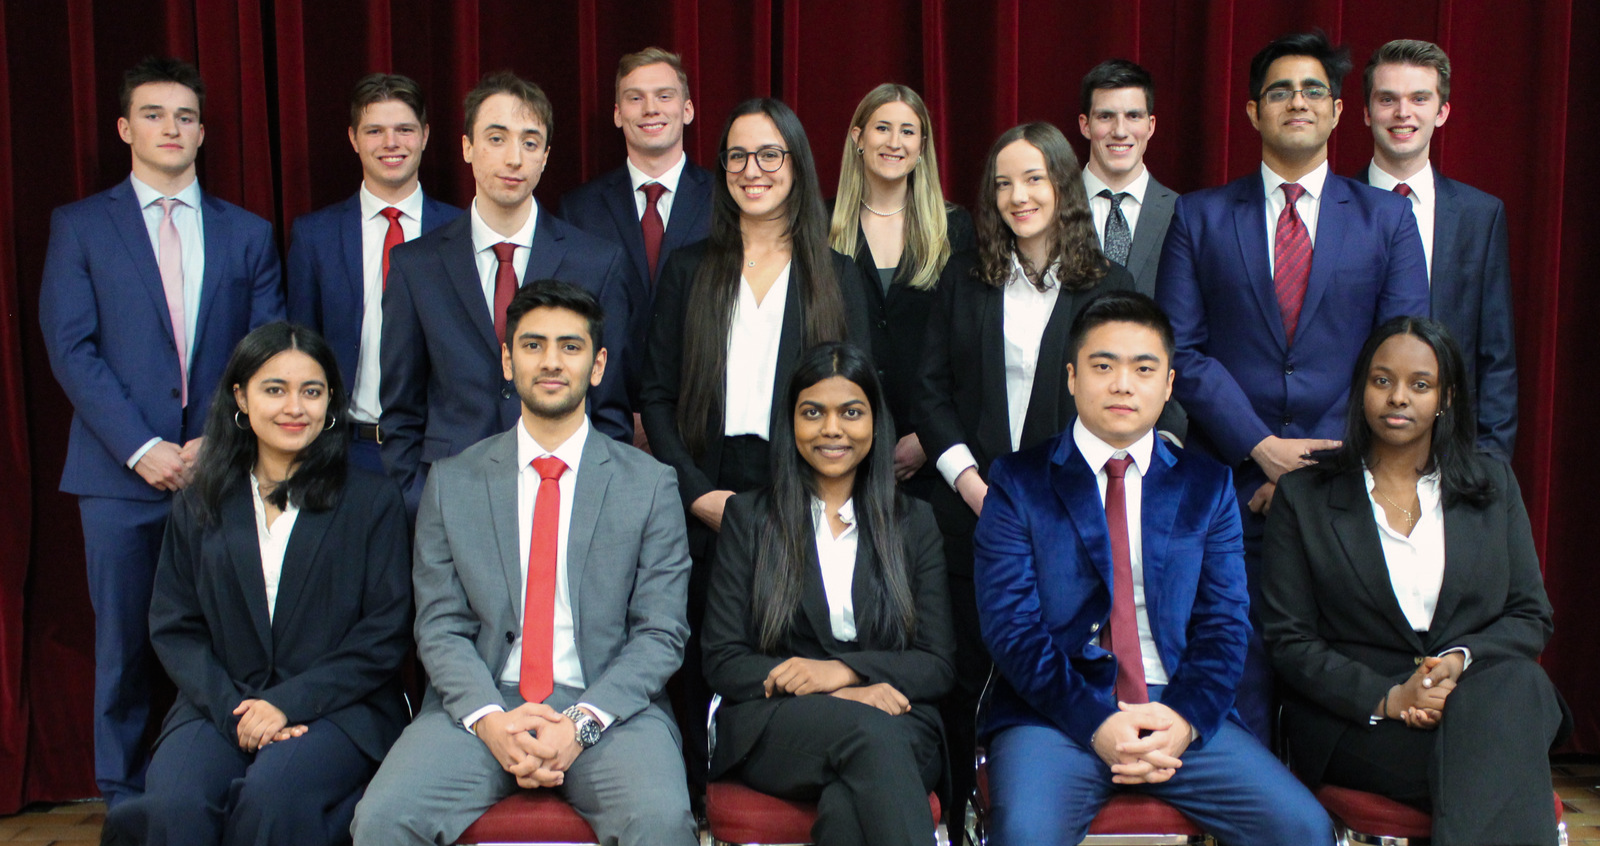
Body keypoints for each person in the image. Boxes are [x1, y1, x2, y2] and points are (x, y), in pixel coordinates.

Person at [975, 291, 1332, 845]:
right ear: (1072, 378)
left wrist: (1184, 721)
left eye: (1144, 369)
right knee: (1024, 834)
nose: (1123, 384)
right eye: (1103, 366)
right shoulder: (1018, 483)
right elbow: (1012, 630)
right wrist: (1097, 724)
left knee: (1303, 829)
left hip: (1177, 709)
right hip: (1055, 712)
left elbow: (1224, 624)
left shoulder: (1206, 487)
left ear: (1168, 386)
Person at [1153, 30, 1431, 739]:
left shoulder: (1387, 220)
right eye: (1280, 91)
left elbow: (1400, 353)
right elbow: (1180, 350)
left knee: (1331, 677)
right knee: (1234, 670)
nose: (1297, 102)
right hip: (1230, 487)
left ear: (1340, 112)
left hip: (1347, 486)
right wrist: (1262, 447)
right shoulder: (1200, 216)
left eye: (1313, 90)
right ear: (1252, 112)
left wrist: (1321, 460)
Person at [353, 280, 696, 846]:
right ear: (508, 362)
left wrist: (580, 726)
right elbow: (439, 628)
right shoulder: (452, 482)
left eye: (570, 346)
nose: (552, 362)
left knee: (659, 822)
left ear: (598, 363)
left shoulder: (650, 485)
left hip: (609, 707)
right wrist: (491, 720)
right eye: (533, 346)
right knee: (383, 818)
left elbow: (661, 633)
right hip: (484, 702)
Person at [37, 56, 284, 807]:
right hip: (117, 476)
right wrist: (142, 449)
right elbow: (70, 346)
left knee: (231, 640)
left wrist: (219, 438)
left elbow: (264, 344)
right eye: (153, 114)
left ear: (202, 131)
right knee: (123, 646)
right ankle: (123, 798)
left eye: (184, 116)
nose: (170, 128)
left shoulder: (247, 233)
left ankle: (218, 785)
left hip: (222, 470)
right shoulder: (80, 226)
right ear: (125, 127)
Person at [101, 322, 412, 846]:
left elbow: (383, 633)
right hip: (220, 701)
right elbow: (175, 627)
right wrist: (236, 710)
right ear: (241, 398)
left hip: (338, 708)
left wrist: (286, 703)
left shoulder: (373, 501)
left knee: (273, 798)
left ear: (331, 402)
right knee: (176, 804)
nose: (295, 407)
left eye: (311, 392)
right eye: (275, 389)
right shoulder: (200, 501)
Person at [1261, 316, 1569, 845]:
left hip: (1477, 698)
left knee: (1518, 685)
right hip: (1364, 723)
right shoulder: (1305, 496)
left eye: (1419, 385)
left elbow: (1529, 614)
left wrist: (1457, 661)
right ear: (1362, 390)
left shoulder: (1491, 485)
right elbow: (1289, 642)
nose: (1398, 397)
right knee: (1502, 757)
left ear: (1445, 397)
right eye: (1382, 381)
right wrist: (1393, 697)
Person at [640, 97, 871, 791]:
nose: (753, 169)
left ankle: (796, 784)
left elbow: (856, 401)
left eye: (770, 154)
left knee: (795, 647)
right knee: (701, 654)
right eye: (738, 155)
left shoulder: (837, 273)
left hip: (801, 486)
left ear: (796, 165)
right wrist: (698, 493)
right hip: (705, 488)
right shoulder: (688, 270)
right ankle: (695, 798)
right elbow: (654, 394)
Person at [914, 121, 1134, 831]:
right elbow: (929, 387)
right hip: (968, 510)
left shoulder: (1107, 283)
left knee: (1051, 672)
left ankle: (1038, 811)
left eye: (1034, 178)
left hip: (1069, 523)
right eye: (1003, 182)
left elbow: (1117, 403)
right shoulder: (965, 275)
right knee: (965, 680)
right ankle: (959, 820)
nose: (1018, 195)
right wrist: (969, 481)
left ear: (1063, 185)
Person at [703, 341, 955, 846]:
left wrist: (843, 669)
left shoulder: (914, 522)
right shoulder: (750, 519)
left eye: (851, 413)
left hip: (899, 718)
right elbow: (724, 661)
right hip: (779, 726)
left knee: (849, 806)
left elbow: (937, 662)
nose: (832, 429)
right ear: (791, 422)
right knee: (869, 737)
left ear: (875, 423)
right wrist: (837, 692)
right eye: (813, 412)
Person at [380, 71, 634, 517]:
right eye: (496, 138)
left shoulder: (596, 262)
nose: (514, 158)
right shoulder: (415, 266)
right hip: (449, 497)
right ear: (466, 147)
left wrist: (597, 504)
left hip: (564, 497)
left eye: (530, 142)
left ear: (546, 157)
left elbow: (609, 408)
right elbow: (401, 410)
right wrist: (414, 498)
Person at [286, 73, 463, 473]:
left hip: (439, 454)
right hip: (345, 452)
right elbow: (300, 348)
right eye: (375, 131)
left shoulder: (463, 230)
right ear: (353, 138)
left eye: (404, 129)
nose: (390, 143)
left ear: (425, 135)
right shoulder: (315, 236)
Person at [1356, 40, 1517, 462]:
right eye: (1387, 98)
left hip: (1453, 449)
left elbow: (1495, 355)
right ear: (1366, 111)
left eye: (1419, 99)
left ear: (1442, 112)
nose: (1403, 113)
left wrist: (1490, 462)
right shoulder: (1333, 208)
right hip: (1350, 445)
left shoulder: (1481, 215)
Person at [828, 83, 974, 499]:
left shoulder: (955, 228)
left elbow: (966, 348)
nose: (895, 142)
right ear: (858, 138)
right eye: (882, 128)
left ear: (922, 145)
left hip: (931, 461)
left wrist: (929, 439)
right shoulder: (820, 225)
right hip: (840, 453)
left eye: (908, 131)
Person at [560, 47, 713, 404]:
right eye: (635, 98)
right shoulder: (579, 209)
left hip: (701, 418)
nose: (650, 109)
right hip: (608, 417)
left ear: (687, 109)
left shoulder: (727, 201)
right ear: (617, 114)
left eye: (664, 95)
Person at [1077, 59, 1174, 299]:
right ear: (1085, 125)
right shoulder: (1050, 207)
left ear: (1150, 126)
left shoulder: (1182, 214)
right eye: (1106, 116)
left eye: (1133, 116)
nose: (1120, 131)